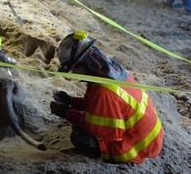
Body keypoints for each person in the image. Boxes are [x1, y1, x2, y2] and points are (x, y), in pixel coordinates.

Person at [50, 31, 164, 164]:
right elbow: (98, 107)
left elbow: (98, 129)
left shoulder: (102, 92)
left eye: (73, 69)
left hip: (136, 148)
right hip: (148, 136)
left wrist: (67, 112)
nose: (74, 73)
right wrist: (71, 101)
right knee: (81, 117)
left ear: (84, 64)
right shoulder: (112, 74)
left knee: (79, 137)